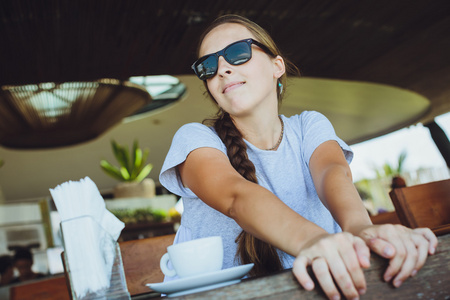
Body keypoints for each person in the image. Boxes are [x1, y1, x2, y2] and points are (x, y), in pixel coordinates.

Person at [159, 14, 438, 300]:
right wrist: (316, 241)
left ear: (276, 66)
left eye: (237, 53)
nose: (222, 69)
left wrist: (362, 230)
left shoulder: (309, 126)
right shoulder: (195, 139)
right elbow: (235, 196)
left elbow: (332, 173)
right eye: (208, 65)